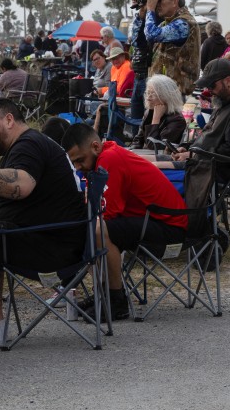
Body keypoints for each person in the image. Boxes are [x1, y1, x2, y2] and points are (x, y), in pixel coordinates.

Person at [0, 98, 86, 351]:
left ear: (9, 119)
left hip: (52, 246)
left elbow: (20, 185)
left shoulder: (28, 145)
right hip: (42, 237)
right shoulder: (22, 148)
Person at [61, 124, 188, 321]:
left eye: (80, 160)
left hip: (169, 226)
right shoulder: (104, 154)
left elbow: (108, 214)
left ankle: (115, 300)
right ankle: (103, 294)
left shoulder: (109, 159)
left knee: (98, 230)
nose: (78, 167)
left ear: (95, 147)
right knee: (91, 227)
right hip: (150, 220)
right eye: (74, 163)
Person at [170, 59, 230, 181]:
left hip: (213, 171)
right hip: (203, 164)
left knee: (153, 169)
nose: (209, 90)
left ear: (228, 81)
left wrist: (193, 155)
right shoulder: (225, 102)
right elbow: (210, 138)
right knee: (148, 162)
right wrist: (187, 148)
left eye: (212, 85)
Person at [145, 0, 201, 96]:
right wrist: (143, 12)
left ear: (175, 1)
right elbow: (145, 37)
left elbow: (151, 34)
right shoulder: (168, 23)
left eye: (160, 0)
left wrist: (150, 10)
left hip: (174, 91)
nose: (157, 4)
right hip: (164, 90)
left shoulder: (184, 23)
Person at [131, 74, 187, 151]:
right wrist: (131, 151)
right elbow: (138, 140)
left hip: (162, 158)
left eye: (153, 93)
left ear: (166, 96)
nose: (148, 97)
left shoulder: (177, 120)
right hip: (145, 154)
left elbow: (155, 146)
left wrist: (156, 119)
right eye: (148, 92)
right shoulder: (149, 112)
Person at [127, 0, 158, 120]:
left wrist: (148, 11)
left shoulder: (154, 16)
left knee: (146, 123)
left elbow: (147, 40)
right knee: (135, 122)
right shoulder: (139, 16)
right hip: (138, 76)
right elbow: (135, 43)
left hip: (149, 75)